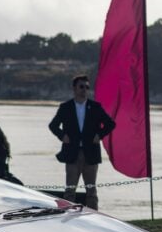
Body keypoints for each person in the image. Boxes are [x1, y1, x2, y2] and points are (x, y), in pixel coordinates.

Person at [48, 75, 116, 210]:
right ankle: (67, 217)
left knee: (91, 192)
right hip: (72, 154)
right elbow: (53, 125)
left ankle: (94, 218)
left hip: (91, 155)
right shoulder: (65, 107)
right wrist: (62, 136)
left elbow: (110, 124)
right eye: (81, 86)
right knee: (70, 191)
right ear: (74, 88)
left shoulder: (95, 107)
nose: (84, 89)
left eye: (87, 87)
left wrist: (100, 135)